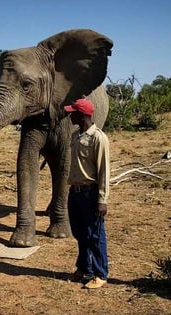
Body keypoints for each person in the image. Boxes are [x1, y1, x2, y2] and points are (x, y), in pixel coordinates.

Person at [63, 98, 110, 289]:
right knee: (79, 233)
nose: (69, 114)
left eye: (72, 112)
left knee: (95, 235)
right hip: (75, 192)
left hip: (90, 194)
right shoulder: (76, 135)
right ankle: (84, 268)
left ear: (82, 115)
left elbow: (104, 171)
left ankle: (100, 273)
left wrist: (102, 199)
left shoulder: (99, 138)